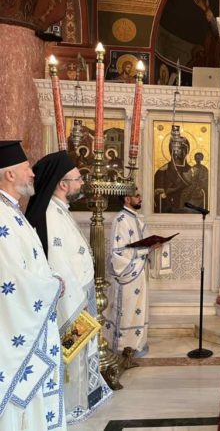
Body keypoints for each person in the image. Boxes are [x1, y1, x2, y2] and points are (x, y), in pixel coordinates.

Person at [25, 151, 112, 424]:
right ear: (63, 184)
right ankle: (72, 405)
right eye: (77, 179)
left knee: (81, 351)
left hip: (80, 294)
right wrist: (79, 304)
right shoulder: (50, 216)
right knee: (71, 352)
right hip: (72, 301)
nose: (82, 183)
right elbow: (59, 264)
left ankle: (83, 397)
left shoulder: (60, 211)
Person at [0, 141, 66, 431]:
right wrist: (52, 285)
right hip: (18, 323)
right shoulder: (2, 215)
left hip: (33, 317)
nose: (33, 174)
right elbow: (11, 277)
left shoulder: (13, 211)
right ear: (9, 174)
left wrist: (50, 280)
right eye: (27, 169)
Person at [104, 188, 155, 359]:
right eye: (136, 195)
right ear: (127, 198)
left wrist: (154, 245)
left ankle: (136, 343)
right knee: (126, 309)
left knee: (138, 309)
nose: (140, 198)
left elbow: (144, 243)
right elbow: (119, 252)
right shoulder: (121, 220)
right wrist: (147, 250)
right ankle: (122, 346)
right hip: (128, 273)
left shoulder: (137, 219)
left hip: (140, 271)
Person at [154, 136, 192, 213]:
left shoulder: (193, 171)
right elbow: (158, 195)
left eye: (181, 148)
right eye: (174, 148)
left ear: (186, 151)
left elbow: (200, 193)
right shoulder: (162, 171)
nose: (177, 151)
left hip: (188, 211)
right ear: (170, 150)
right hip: (168, 211)